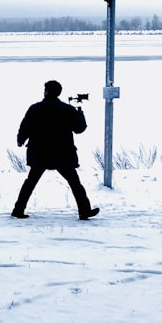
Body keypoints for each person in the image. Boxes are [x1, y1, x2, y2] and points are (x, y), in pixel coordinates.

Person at [11, 80, 99, 221]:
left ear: (46, 91)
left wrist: (20, 140)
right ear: (59, 92)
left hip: (39, 153)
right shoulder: (67, 109)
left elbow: (25, 126)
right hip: (62, 154)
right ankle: (84, 211)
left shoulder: (35, 108)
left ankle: (18, 210)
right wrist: (80, 113)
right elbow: (80, 129)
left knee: (30, 182)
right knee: (75, 183)